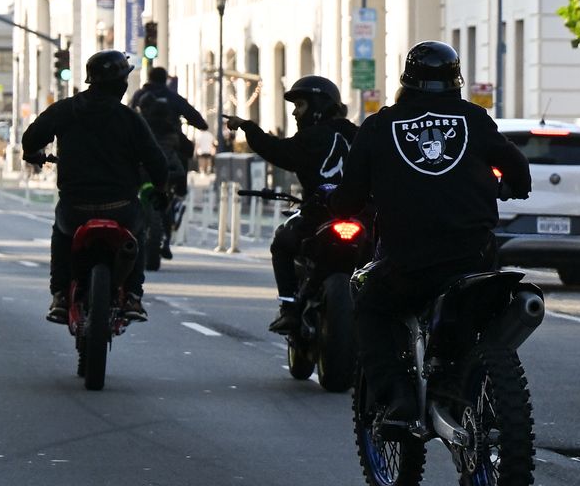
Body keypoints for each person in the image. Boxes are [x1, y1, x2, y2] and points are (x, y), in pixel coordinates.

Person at [329, 41, 531, 436]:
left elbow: (349, 197)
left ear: (406, 81)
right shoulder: (474, 118)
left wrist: (339, 207)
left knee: (371, 307)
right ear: (456, 81)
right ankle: (472, 374)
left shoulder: (379, 126)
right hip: (474, 258)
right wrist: (511, 187)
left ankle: (399, 400)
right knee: (484, 315)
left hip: (409, 262)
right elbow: (518, 170)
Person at [20, 50, 169, 324]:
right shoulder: (130, 118)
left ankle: (61, 297)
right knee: (137, 234)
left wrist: (35, 154)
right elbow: (157, 162)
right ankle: (134, 296)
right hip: (121, 208)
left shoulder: (65, 109)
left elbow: (30, 139)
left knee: (61, 236)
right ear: (121, 84)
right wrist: (161, 189)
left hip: (75, 207)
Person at [226, 76, 360, 333]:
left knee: (282, 242)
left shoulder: (312, 137)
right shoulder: (356, 133)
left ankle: (289, 308)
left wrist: (247, 127)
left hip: (320, 214)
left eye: (300, 105)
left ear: (318, 106)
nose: (295, 112)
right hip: (360, 214)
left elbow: (275, 150)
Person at [130, 67, 210, 258]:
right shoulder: (172, 98)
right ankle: (174, 207)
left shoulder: (139, 95)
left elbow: (126, 116)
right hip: (170, 153)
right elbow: (198, 121)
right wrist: (191, 123)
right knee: (179, 181)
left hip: (141, 155)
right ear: (165, 79)